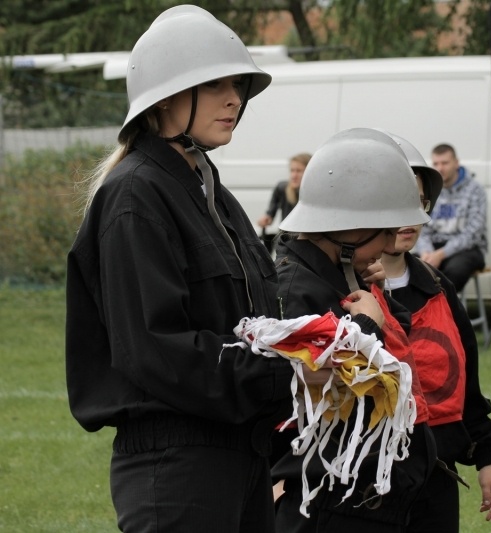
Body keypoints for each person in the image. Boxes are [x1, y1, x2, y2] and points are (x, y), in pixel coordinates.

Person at [65, 6, 295, 532]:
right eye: (215, 84)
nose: (235, 97)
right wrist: (284, 375)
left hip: (243, 457)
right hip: (178, 468)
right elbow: (157, 350)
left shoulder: (214, 195)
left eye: (237, 83)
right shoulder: (135, 196)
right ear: (167, 96)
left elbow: (251, 329)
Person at [271, 127, 436, 532]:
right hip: (330, 508)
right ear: (351, 226)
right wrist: (367, 328)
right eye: (383, 230)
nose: (388, 243)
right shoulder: (297, 291)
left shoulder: (339, 275)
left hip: (361, 504)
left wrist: (376, 296)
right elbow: (331, 387)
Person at [380, 132, 491, 531]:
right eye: (397, 201)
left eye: (418, 202)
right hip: (366, 477)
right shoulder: (339, 290)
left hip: (435, 470)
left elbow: (466, 383)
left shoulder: (438, 287)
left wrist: (487, 457)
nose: (410, 216)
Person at [415, 143, 487, 293]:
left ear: (456, 162)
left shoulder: (475, 190)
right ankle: (418, 313)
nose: (440, 168)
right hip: (433, 246)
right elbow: (421, 226)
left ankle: (444, 313)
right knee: (410, 265)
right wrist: (426, 253)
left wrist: (441, 254)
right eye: (436, 163)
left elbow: (473, 233)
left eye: (445, 163)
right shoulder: (430, 190)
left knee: (455, 270)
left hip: (467, 249)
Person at [257, 152, 312, 249]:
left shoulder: (314, 194)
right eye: (292, 170)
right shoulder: (282, 188)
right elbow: (270, 214)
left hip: (308, 241)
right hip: (286, 240)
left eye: (299, 171)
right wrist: (266, 218)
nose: (294, 175)